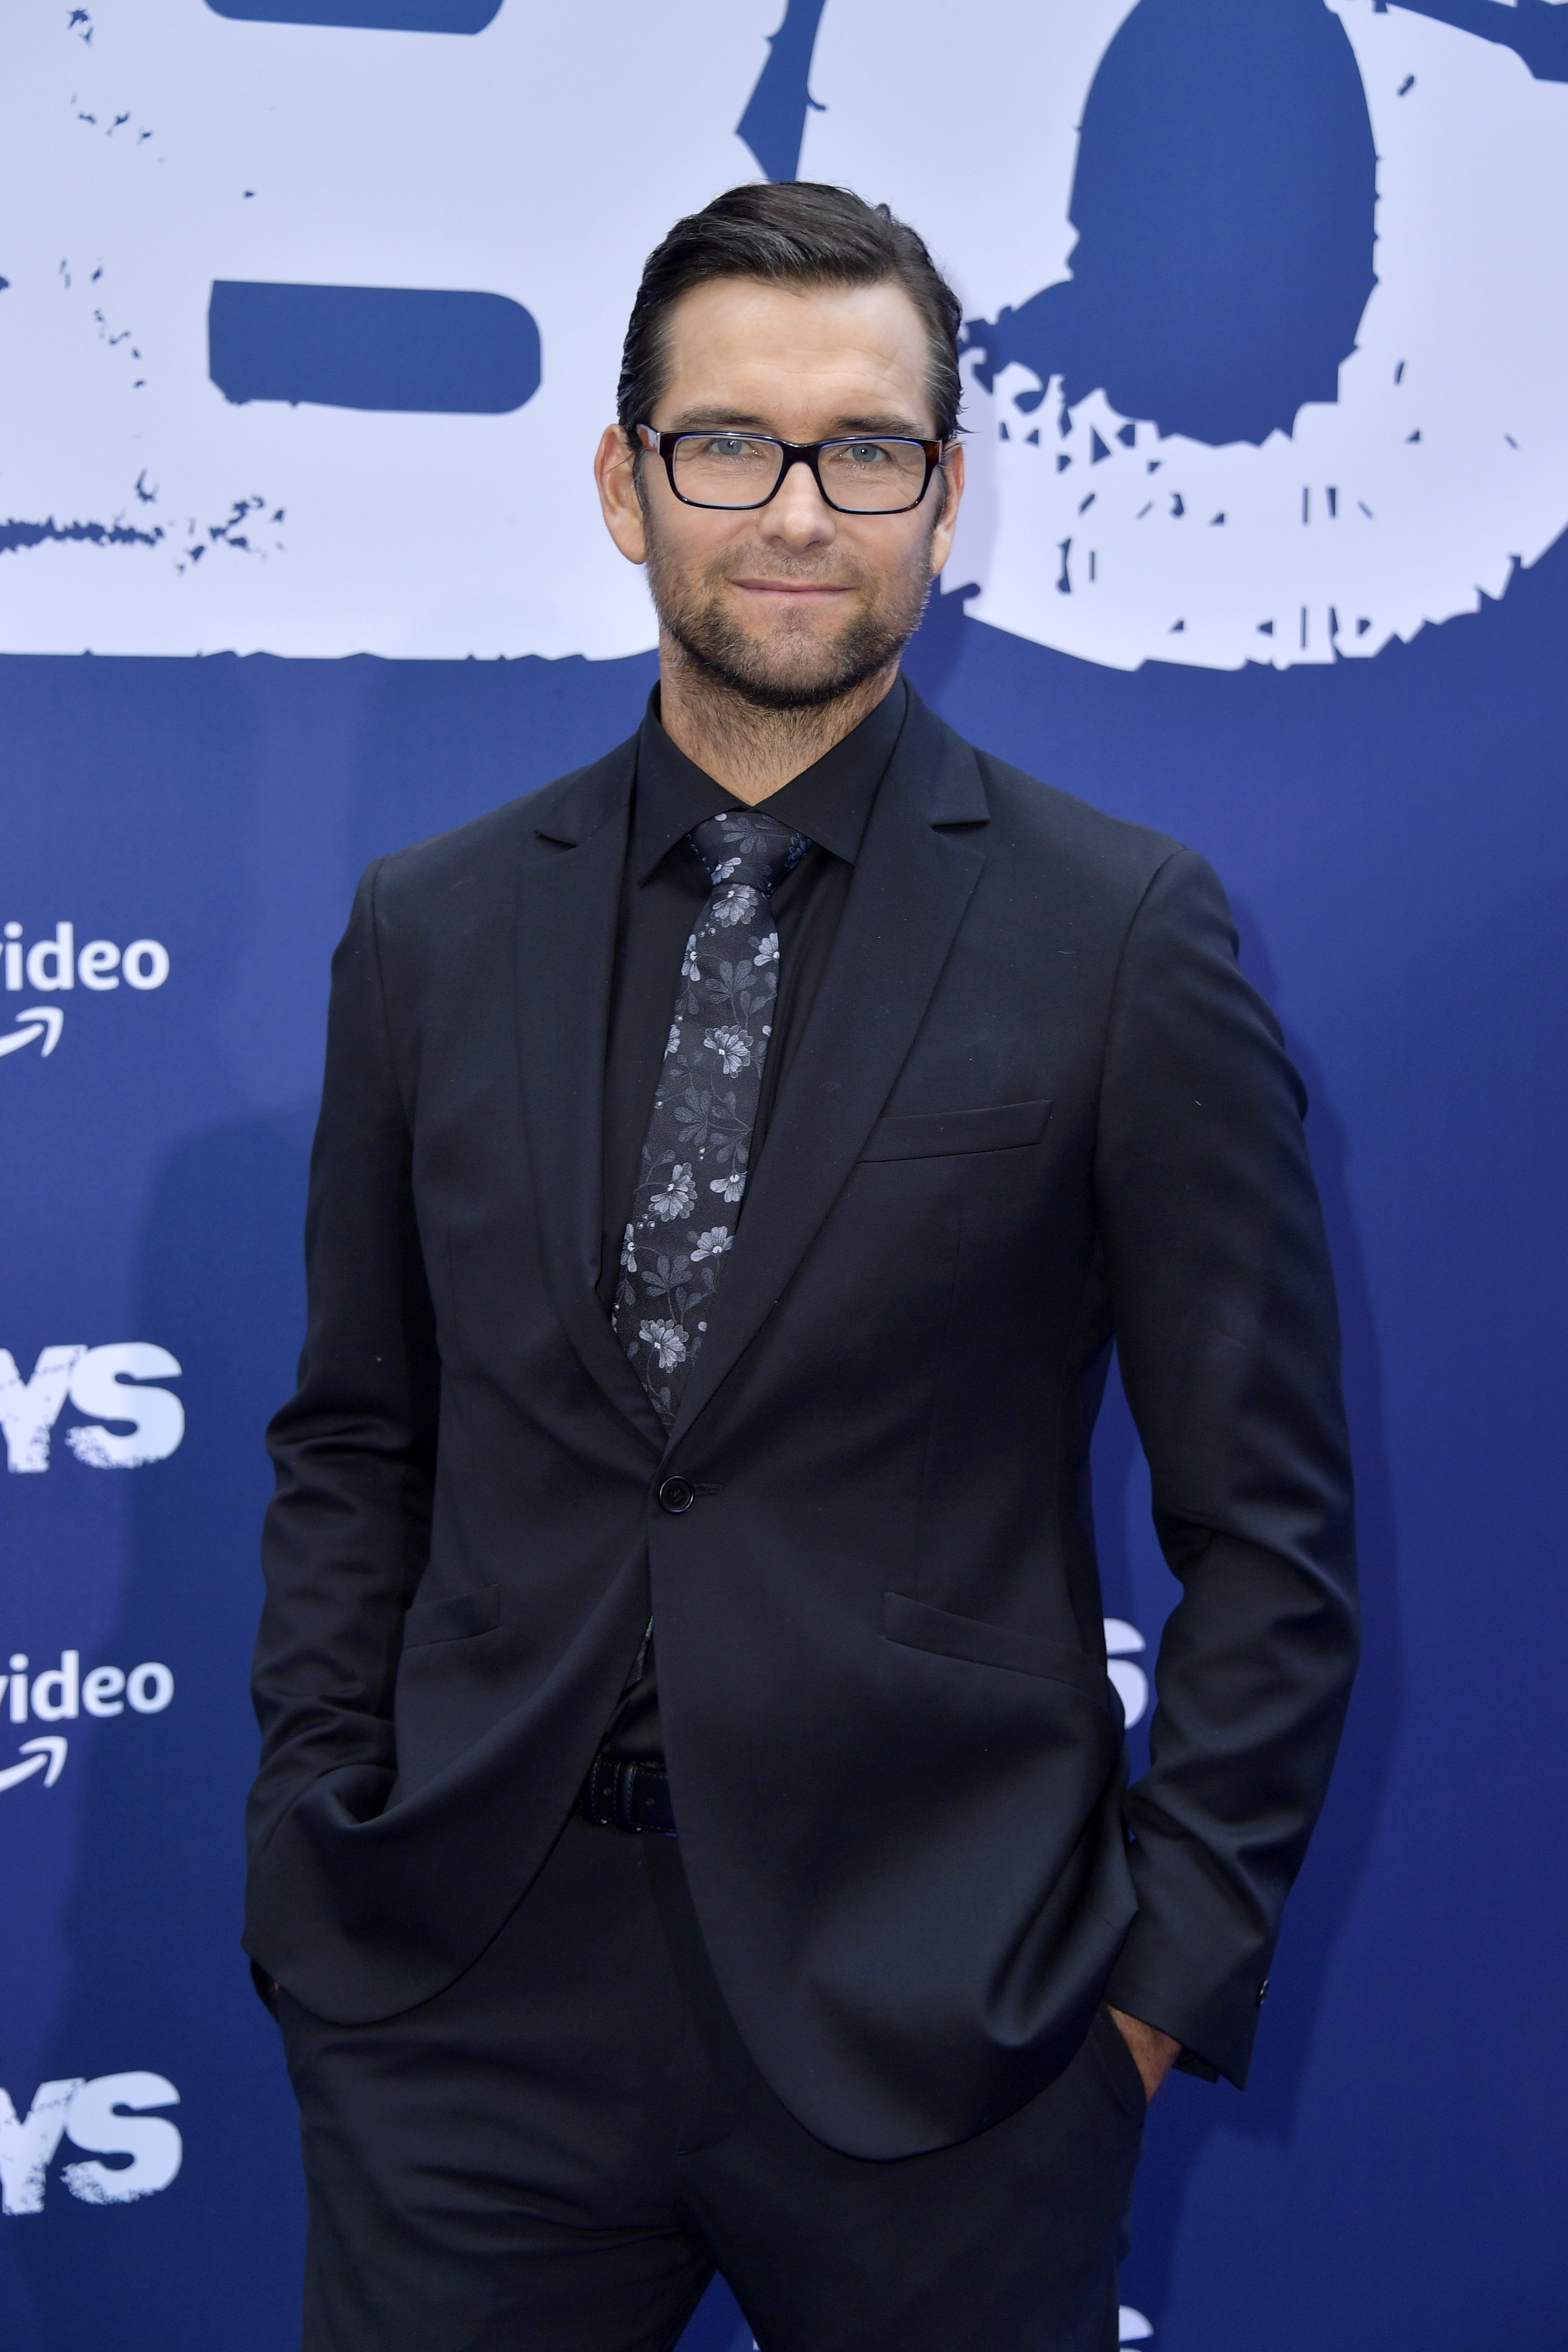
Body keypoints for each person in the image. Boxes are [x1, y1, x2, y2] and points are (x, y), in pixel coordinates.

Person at [246, 181, 1358, 2352]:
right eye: (727, 441)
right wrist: (315, 1848)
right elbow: (356, 1439)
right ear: (623, 480)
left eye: (864, 449)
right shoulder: (430, 926)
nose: (792, 509)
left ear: (944, 496)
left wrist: (1145, 1994)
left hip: (952, 2017)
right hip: (464, 1987)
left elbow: (1272, 1538)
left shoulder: (1123, 934)